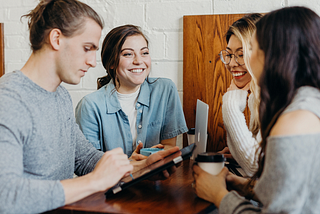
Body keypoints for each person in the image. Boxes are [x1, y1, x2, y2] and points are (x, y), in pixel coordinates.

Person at [0, 1, 179, 213]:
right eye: (87, 48)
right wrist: (95, 181)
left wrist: (139, 169)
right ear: (56, 39)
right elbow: (6, 196)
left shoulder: (60, 96)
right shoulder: (8, 101)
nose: (94, 62)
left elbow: (84, 158)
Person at [193, 6, 320, 213]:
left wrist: (219, 195)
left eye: (252, 49)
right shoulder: (305, 102)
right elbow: (287, 190)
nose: (244, 61)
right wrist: (242, 185)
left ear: (275, 55)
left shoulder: (295, 120)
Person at [75, 24, 188, 160]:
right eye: (128, 54)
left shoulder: (165, 90)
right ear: (111, 62)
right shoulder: (90, 106)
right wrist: (131, 165)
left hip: (156, 178)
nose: (139, 61)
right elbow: (89, 164)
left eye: (144, 53)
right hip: (114, 181)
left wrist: (151, 157)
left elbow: (169, 146)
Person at [219, 13, 262, 176]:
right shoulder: (257, 96)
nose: (231, 63)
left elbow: (255, 167)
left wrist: (230, 103)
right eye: (229, 54)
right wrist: (237, 153)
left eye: (241, 54)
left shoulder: (276, 98)